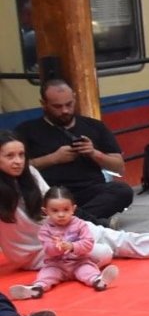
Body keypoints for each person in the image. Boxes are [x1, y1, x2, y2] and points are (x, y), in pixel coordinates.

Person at [0, 129, 149, 269]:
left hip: (65, 233)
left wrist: (85, 225)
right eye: (9, 156)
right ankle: (70, 273)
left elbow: (56, 208)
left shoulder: (30, 174)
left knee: (122, 239)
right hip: (39, 253)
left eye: (21, 155)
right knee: (103, 253)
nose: (17, 161)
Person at [16, 80, 134, 226]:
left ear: (74, 99)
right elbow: (16, 167)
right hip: (51, 192)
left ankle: (70, 223)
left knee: (122, 191)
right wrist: (53, 159)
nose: (65, 110)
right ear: (43, 104)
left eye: (69, 104)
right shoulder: (26, 130)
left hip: (90, 191)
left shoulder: (94, 126)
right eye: (57, 106)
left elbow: (119, 167)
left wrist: (94, 153)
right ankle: (89, 223)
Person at [8, 186, 118, 298]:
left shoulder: (80, 224)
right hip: (56, 264)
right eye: (55, 211)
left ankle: (98, 280)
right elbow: (47, 250)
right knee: (46, 275)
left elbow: (88, 243)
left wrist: (72, 246)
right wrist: (57, 247)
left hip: (79, 262)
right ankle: (37, 288)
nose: (61, 214)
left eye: (66, 209)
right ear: (45, 211)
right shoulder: (45, 230)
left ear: (73, 209)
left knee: (88, 271)